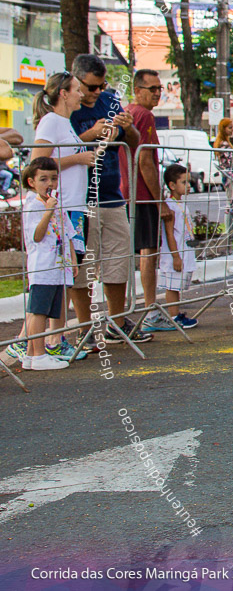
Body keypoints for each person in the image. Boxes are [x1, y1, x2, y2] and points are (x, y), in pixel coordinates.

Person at [69, 53, 151, 347]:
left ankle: (117, 322)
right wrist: (90, 134)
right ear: (75, 81)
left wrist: (127, 127)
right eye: (91, 87)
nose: (97, 92)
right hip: (80, 198)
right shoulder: (67, 107)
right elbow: (58, 149)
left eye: (101, 86)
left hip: (112, 194)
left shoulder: (110, 100)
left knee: (119, 260)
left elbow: (133, 142)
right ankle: (84, 327)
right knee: (83, 266)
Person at [15, 71, 92, 363]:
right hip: (63, 206)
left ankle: (47, 341)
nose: (81, 94)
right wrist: (78, 158)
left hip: (70, 206)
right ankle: (35, 342)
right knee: (53, 278)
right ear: (63, 93)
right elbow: (40, 163)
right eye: (76, 89)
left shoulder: (65, 123)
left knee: (65, 274)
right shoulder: (50, 121)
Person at [120, 70, 174, 334]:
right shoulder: (143, 115)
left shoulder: (131, 113)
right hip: (141, 195)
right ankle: (151, 309)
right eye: (151, 88)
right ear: (137, 90)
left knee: (142, 252)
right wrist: (160, 201)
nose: (157, 93)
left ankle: (142, 309)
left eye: (159, 88)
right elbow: (146, 162)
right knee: (148, 252)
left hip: (130, 194)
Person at [19, 157, 77, 370]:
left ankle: (31, 356)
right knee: (38, 312)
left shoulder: (56, 203)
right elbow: (36, 235)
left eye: (53, 178)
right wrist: (47, 212)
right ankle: (38, 354)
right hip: (42, 267)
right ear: (31, 182)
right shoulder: (33, 204)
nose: (50, 183)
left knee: (50, 309)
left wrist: (73, 260)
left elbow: (68, 233)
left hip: (58, 266)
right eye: (43, 179)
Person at [159, 164, 198, 329]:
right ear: (172, 185)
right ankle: (174, 316)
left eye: (189, 182)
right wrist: (175, 256)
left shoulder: (181, 203)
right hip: (175, 254)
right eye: (184, 182)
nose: (188, 186)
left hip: (185, 250)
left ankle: (177, 314)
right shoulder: (170, 207)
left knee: (178, 285)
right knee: (172, 286)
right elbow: (169, 233)